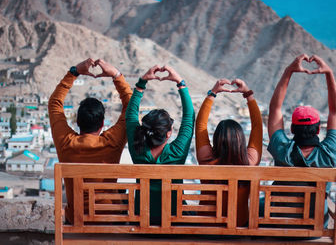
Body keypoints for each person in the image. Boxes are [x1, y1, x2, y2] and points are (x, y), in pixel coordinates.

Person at [48, 58, 132, 224]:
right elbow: (131, 107)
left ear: (77, 122)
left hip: (77, 220)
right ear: (102, 124)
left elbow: (54, 104)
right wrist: (116, 75)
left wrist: (74, 72)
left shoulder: (66, 143)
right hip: (110, 219)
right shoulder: (112, 143)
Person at [265, 54, 336, 227]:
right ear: (318, 129)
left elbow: (275, 108)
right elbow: (335, 112)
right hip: (313, 229)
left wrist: (288, 71)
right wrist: (329, 73)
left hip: (279, 225)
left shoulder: (282, 151)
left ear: (292, 129)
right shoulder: (328, 153)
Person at [126, 65, 195, 224]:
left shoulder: (137, 150)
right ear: (169, 133)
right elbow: (189, 118)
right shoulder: (177, 153)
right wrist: (180, 83)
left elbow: (130, 116)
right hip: (175, 223)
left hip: (142, 223)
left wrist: (141, 83)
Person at [195, 78, 263, 226]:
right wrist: (248, 94)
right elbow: (258, 126)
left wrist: (212, 93)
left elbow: (200, 125)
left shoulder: (206, 160)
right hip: (239, 229)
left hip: (206, 228)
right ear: (241, 141)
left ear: (217, 139)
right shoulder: (250, 162)